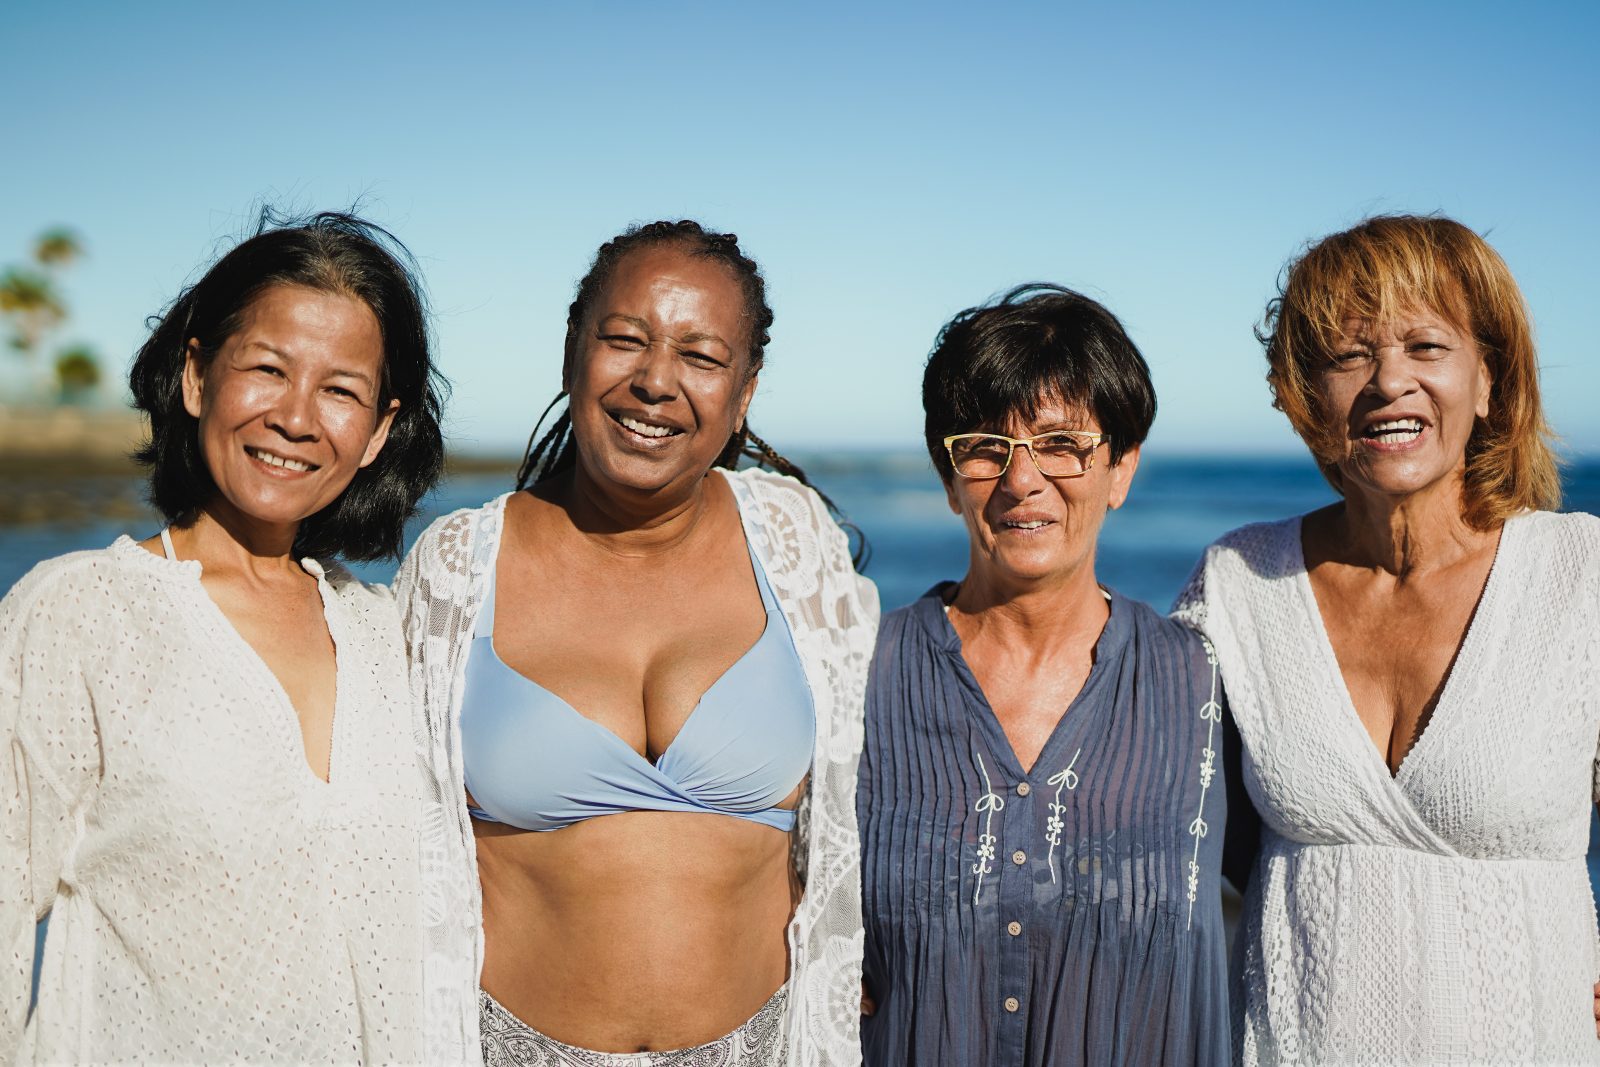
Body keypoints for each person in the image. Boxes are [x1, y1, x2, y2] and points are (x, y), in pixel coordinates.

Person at [397, 220, 878, 1065]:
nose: (656, 380)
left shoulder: (795, 548)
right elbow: (381, 831)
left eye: (701, 355)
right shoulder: (456, 569)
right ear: (572, 354)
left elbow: (864, 796)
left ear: (744, 392)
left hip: (762, 1045)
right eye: (625, 340)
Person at [0, 211, 446, 1063]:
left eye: (341, 390)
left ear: (379, 431)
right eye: (268, 369)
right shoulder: (79, 616)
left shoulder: (383, 631)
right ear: (198, 376)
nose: (296, 417)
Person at [1174, 214, 1600, 1063]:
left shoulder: (1580, 576)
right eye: (1349, 355)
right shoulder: (1239, 583)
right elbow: (1153, 824)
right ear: (1308, 395)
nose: (1387, 382)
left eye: (1426, 347)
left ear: (1489, 380)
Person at [858, 284, 1248, 1066]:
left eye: (1062, 442)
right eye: (984, 446)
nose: (1021, 480)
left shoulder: (1206, 686)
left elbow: (1322, 885)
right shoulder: (861, 676)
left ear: (1120, 468)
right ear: (948, 473)